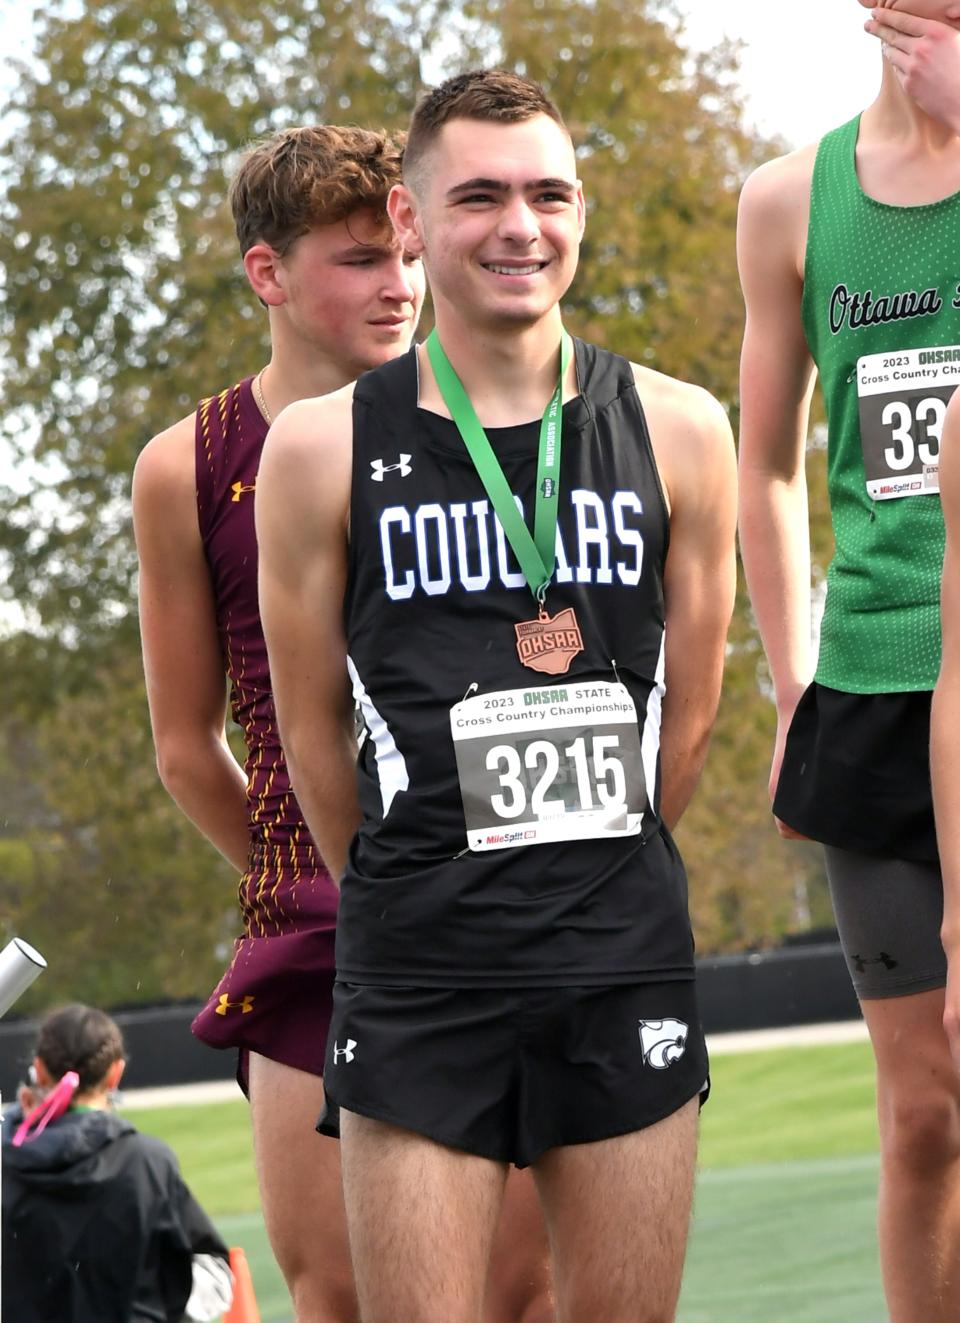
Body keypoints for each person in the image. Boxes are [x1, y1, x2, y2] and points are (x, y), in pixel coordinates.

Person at [256, 69, 736, 1323]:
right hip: (419, 974)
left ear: (581, 211)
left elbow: (689, 721)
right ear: (411, 224)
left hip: (619, 958)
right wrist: (416, 881)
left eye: (549, 193)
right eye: (478, 196)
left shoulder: (682, 429)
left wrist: (596, 866)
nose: (521, 225)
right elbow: (309, 736)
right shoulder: (317, 449)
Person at [132, 124, 552, 1323]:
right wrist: (314, 868)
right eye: (362, 259)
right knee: (341, 1298)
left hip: (507, 913)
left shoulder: (506, 421)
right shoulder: (188, 465)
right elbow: (182, 744)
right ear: (268, 274)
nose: (401, 285)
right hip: (321, 936)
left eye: (408, 254)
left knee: (520, 1299)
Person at [737, 3, 960, 1318]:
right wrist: (793, 679)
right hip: (878, 684)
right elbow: (767, 463)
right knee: (924, 1106)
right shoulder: (789, 200)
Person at [1, 1003, 232, 1323]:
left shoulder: (6, 1168)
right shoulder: (148, 1164)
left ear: (38, 1070)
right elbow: (210, 1273)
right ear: (115, 1074)